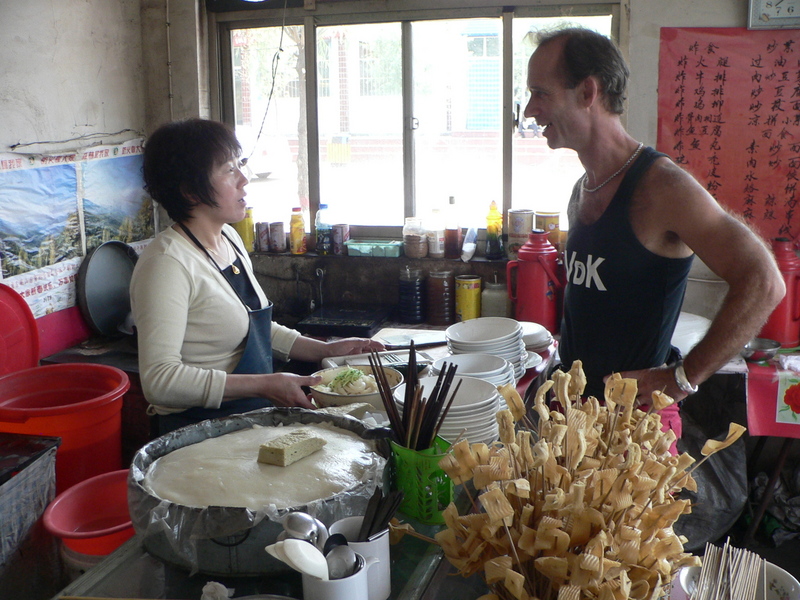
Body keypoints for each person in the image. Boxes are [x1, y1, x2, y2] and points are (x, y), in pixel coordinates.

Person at [522, 27, 784, 425]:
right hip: (572, 416)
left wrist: (682, 378)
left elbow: (764, 281)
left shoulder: (663, 186)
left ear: (588, 93)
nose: (529, 110)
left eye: (541, 93)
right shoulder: (583, 188)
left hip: (634, 427)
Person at [130, 118, 383, 435]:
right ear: (190, 191)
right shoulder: (167, 263)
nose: (243, 180)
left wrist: (327, 350)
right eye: (228, 170)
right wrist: (266, 384)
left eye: (240, 165)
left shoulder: (229, 240)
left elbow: (256, 330)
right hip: (197, 435)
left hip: (249, 423)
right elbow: (160, 382)